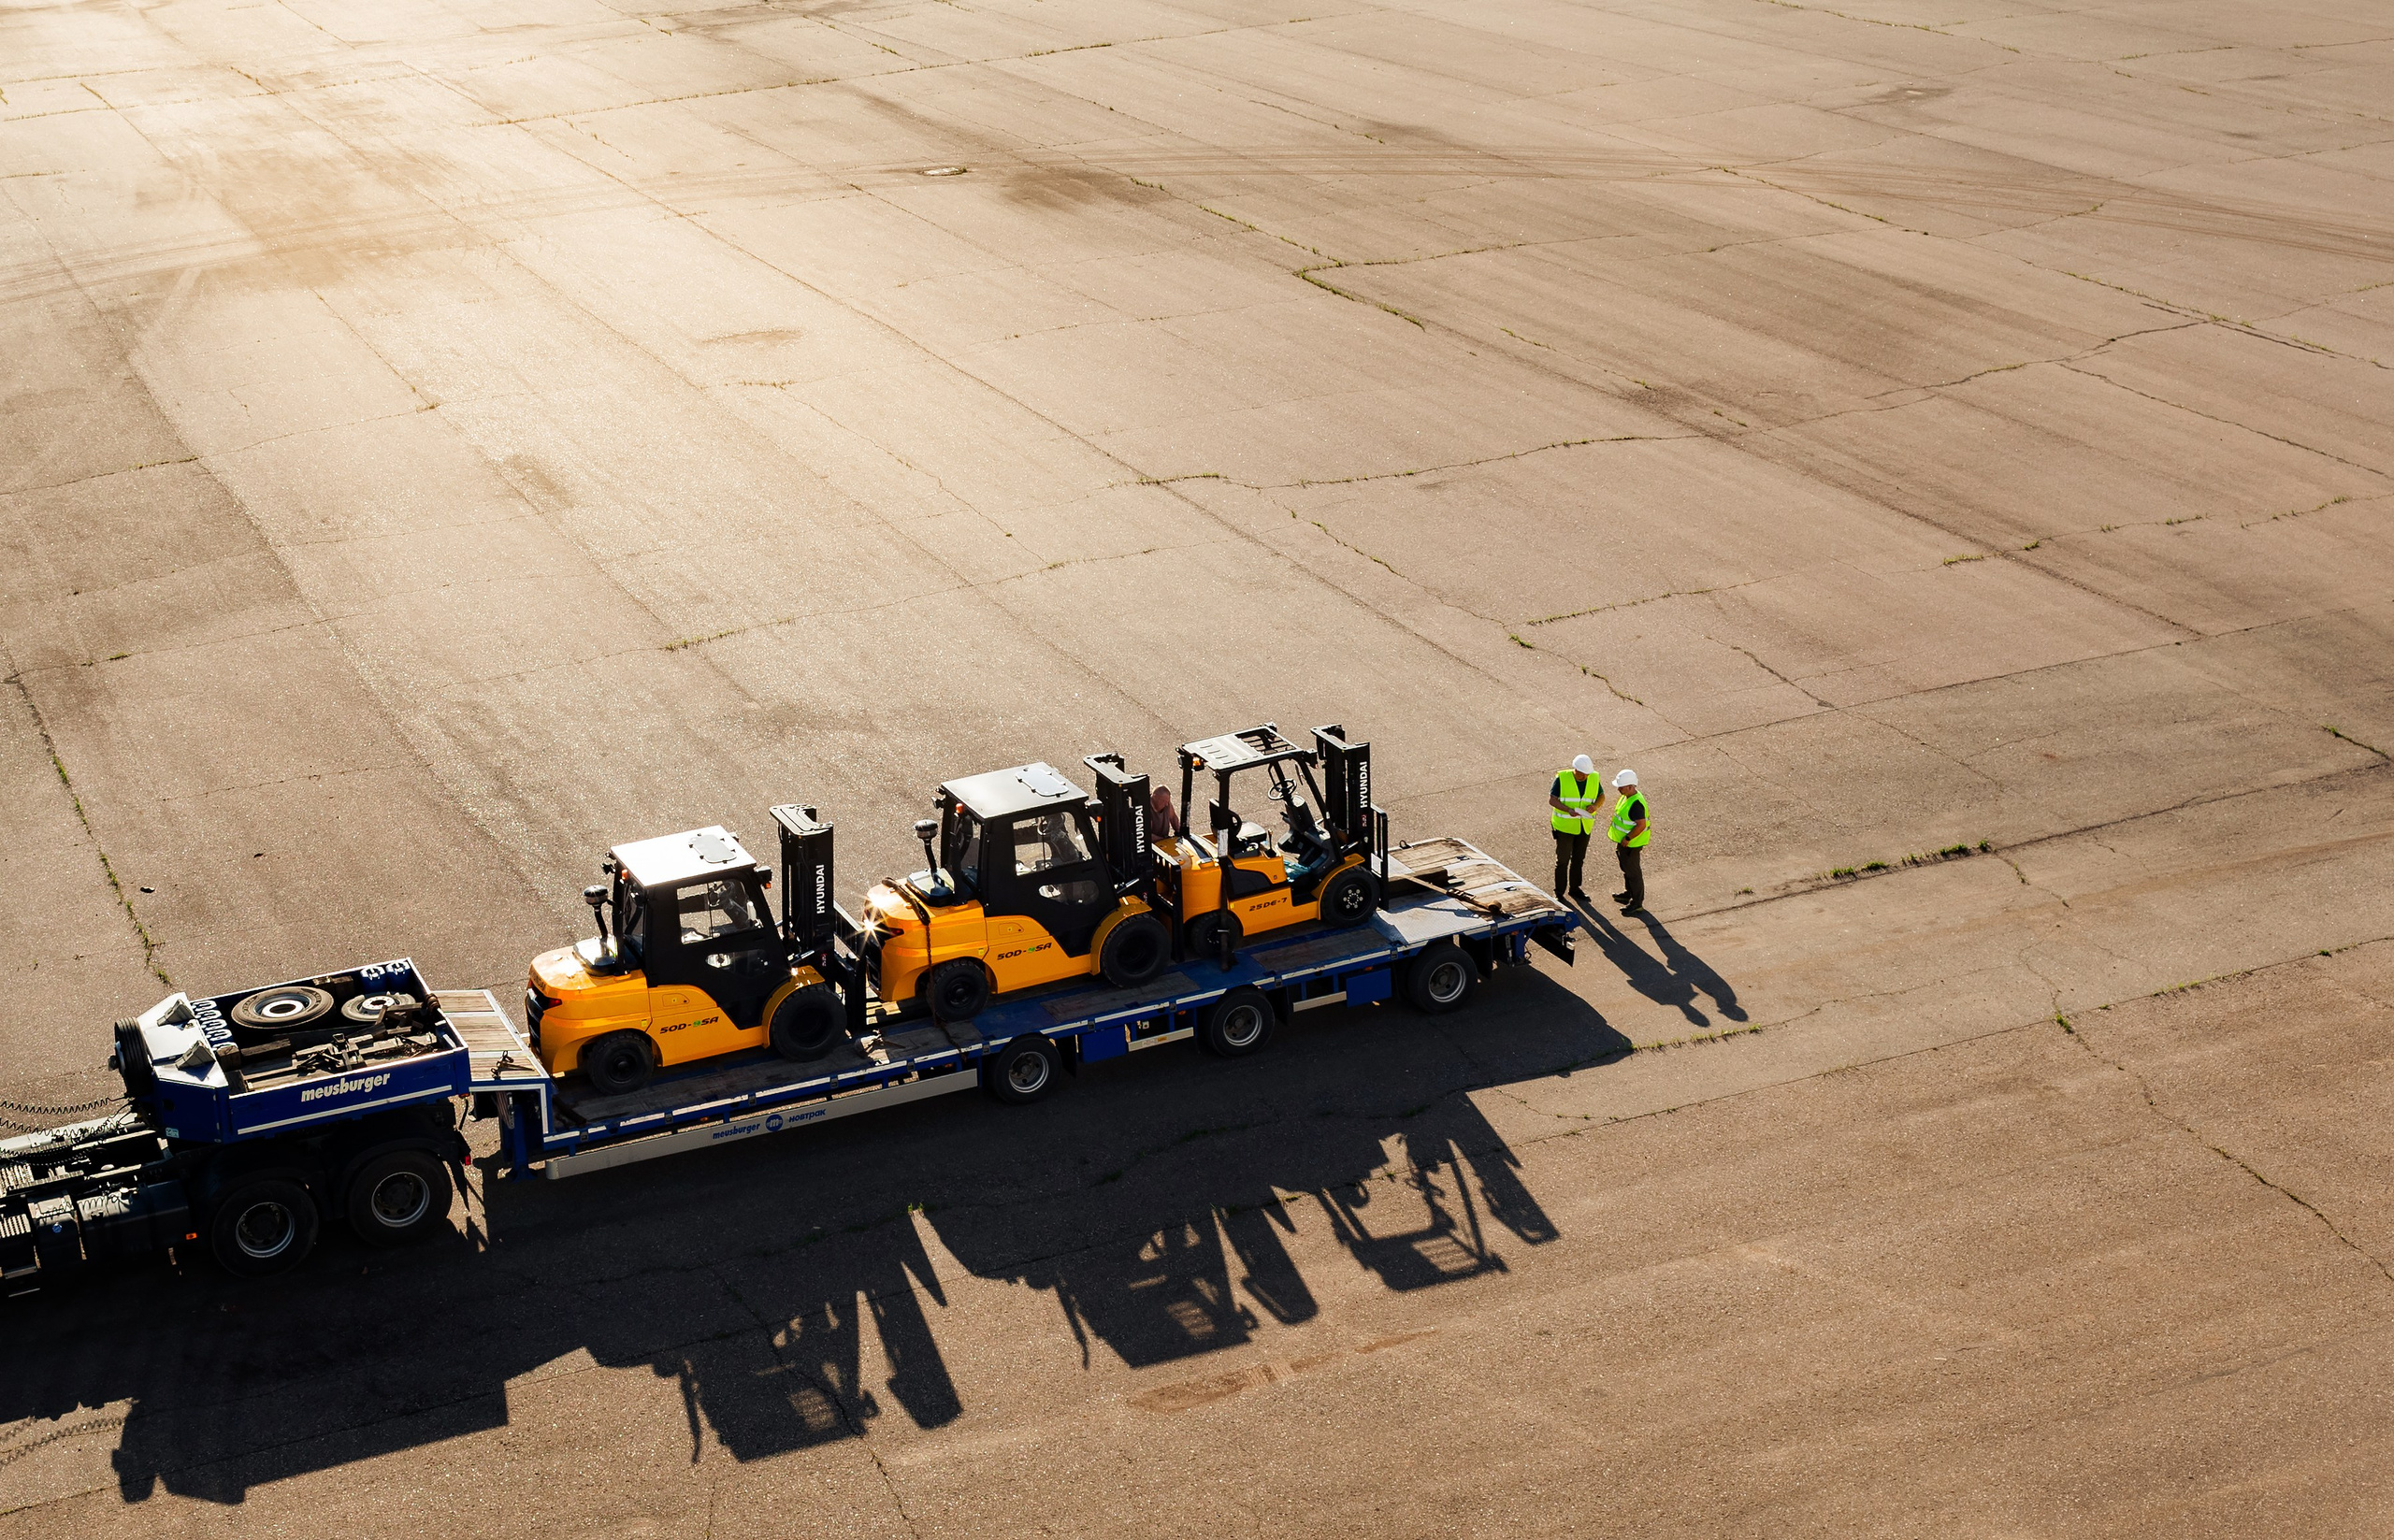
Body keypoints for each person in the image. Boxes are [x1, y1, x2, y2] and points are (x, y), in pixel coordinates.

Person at [1549, 754, 1600, 902]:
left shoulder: (1593, 777)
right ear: (1575, 770)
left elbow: (1601, 796)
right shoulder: (1562, 778)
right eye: (1583, 774)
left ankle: (1575, 889)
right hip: (1565, 827)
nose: (1585, 776)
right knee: (1563, 860)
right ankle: (1559, 892)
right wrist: (1568, 810)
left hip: (1583, 826)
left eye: (1587, 774)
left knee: (1579, 859)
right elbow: (1552, 800)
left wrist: (1596, 805)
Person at [1608, 769, 1650, 912]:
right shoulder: (1628, 796)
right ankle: (1629, 894)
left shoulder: (1636, 804)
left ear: (1631, 787)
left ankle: (1637, 903)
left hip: (1631, 844)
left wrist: (1627, 838)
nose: (1619, 789)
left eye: (1621, 787)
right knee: (1627, 869)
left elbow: (1641, 825)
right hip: (1625, 843)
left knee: (1633, 873)